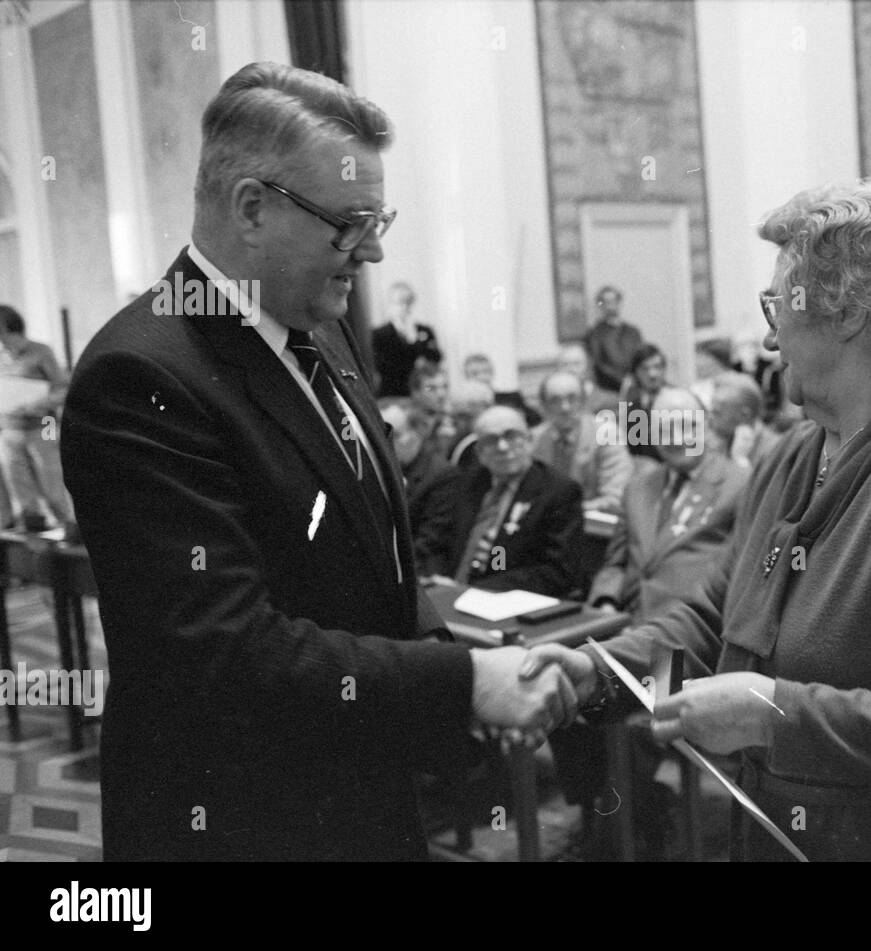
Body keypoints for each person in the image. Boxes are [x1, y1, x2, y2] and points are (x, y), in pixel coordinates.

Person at [58, 62, 578, 861]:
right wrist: (467, 684)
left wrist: (471, 671)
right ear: (252, 208)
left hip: (361, 796)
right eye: (349, 222)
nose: (370, 251)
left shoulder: (319, 327)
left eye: (380, 219)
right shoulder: (142, 375)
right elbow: (223, 649)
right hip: (239, 823)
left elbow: (376, 560)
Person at [522, 178, 871, 861]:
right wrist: (601, 671)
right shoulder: (794, 453)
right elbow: (715, 619)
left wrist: (773, 712)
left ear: (844, 311)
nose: (767, 332)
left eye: (776, 303)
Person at [589, 386, 749, 620]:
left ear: (708, 425)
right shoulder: (637, 487)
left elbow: (747, 575)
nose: (676, 438)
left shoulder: (741, 484)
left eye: (687, 426)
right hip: (626, 624)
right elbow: (616, 562)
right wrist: (605, 600)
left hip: (695, 630)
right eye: (664, 429)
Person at [421, 405, 582, 596]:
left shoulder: (557, 491)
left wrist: (475, 590)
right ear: (479, 452)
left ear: (529, 440)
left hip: (505, 598)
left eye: (511, 436)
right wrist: (435, 577)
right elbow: (438, 540)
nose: (503, 447)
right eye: (491, 440)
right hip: (447, 591)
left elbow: (555, 571)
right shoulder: (467, 482)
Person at [0, 304, 74, 531]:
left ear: (14, 331)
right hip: (11, 427)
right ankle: (32, 526)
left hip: (45, 423)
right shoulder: (2, 357)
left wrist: (40, 403)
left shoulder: (41, 352)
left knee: (51, 480)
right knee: (19, 483)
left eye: (3, 335)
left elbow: (63, 389)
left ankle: (68, 525)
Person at [531, 369, 632, 514]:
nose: (565, 407)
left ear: (584, 401)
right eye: (555, 400)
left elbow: (616, 498)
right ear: (544, 406)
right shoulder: (534, 439)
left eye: (572, 398)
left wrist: (567, 512)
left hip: (595, 526)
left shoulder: (606, 433)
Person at [378, 397, 448, 579]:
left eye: (394, 436)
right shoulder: (378, 469)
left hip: (419, 571)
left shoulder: (442, 475)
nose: (383, 445)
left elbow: (429, 541)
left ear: (420, 431)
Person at [370, 280, 442, 397]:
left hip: (423, 392)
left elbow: (436, 357)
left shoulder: (424, 330)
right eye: (399, 302)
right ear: (390, 304)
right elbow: (382, 366)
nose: (404, 307)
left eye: (408, 302)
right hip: (393, 393)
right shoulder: (379, 334)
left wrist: (414, 340)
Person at [708, 371, 782, 469]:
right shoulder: (718, 441)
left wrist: (740, 462)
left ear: (744, 415)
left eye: (717, 413)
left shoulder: (775, 452)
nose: (709, 418)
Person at [583, 285, 643, 405]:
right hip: (608, 390)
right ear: (600, 305)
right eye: (605, 302)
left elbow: (640, 356)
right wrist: (621, 381)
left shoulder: (632, 331)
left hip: (634, 386)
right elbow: (598, 362)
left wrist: (633, 378)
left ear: (619, 302)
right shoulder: (595, 334)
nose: (610, 305)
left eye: (613, 301)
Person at [463, 352, 540, 426]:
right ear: (467, 377)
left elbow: (536, 421)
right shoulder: (463, 407)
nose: (482, 377)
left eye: (486, 372)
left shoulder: (512, 398)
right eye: (475, 374)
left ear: (492, 373)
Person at [623, 343, 669, 462]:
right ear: (636, 373)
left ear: (664, 369)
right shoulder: (633, 407)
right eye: (645, 368)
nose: (652, 374)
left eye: (657, 367)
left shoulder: (680, 400)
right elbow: (634, 450)